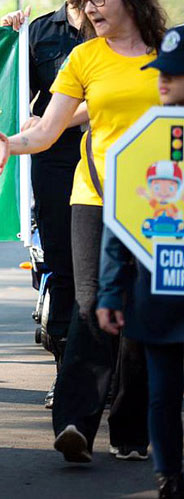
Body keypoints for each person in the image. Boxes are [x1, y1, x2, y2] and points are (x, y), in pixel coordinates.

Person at [0, 0, 162, 463]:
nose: (90, 9)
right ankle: (73, 424)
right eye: (84, 1)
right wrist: (13, 143)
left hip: (159, 204)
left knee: (140, 317)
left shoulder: (170, 50)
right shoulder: (84, 59)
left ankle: (131, 432)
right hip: (91, 197)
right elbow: (48, 129)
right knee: (90, 307)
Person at [0, 0, 112, 408]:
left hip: (113, 161)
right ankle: (68, 380)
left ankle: (116, 379)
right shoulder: (38, 34)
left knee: (114, 271)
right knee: (65, 270)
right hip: (55, 163)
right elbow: (7, 90)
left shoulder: (118, 31)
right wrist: (5, 40)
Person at [97, 25, 184, 498]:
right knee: (162, 394)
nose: (163, 82)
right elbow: (121, 223)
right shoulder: (144, 139)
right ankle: (169, 475)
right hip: (157, 292)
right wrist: (111, 291)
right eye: (160, 73)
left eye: (175, 74)